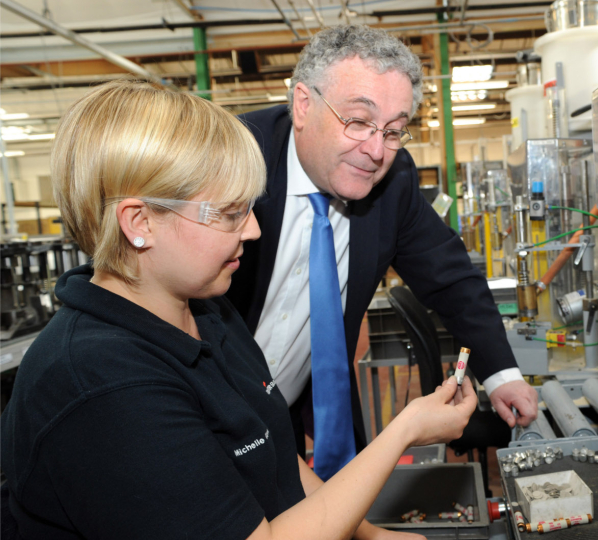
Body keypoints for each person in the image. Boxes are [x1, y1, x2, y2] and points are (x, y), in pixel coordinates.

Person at [0, 79, 477, 540]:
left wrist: (369, 536)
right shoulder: (102, 382)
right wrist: (404, 431)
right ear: (139, 221)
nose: (252, 230)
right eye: (230, 214)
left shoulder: (209, 313)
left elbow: (271, 453)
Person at [226, 24, 538, 471]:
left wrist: (502, 375)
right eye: (358, 121)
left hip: (281, 417)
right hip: (197, 412)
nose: (376, 151)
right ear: (302, 104)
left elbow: (449, 278)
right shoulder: (231, 158)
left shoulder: (393, 182)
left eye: (394, 131)